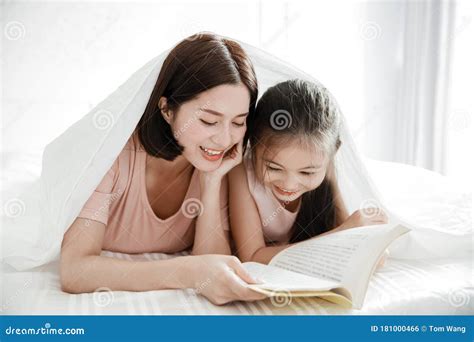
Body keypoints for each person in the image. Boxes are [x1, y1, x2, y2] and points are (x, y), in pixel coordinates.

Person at [60, 33, 266, 305]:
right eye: (208, 121)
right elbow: (74, 271)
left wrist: (211, 181)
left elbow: (212, 261)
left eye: (238, 122)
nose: (224, 139)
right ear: (167, 109)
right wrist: (187, 273)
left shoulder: (225, 164)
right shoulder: (115, 157)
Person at [229, 79, 389, 264]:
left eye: (307, 173)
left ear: (331, 156)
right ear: (252, 145)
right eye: (273, 168)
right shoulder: (239, 171)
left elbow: (350, 232)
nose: (289, 185)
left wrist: (366, 239)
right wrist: (341, 234)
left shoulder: (323, 164)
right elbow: (252, 256)